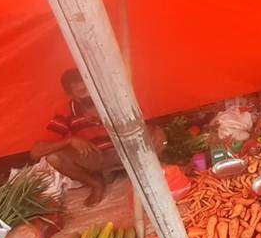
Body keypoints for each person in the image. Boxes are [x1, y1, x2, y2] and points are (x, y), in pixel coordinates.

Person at [30, 69, 165, 206]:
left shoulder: (116, 100)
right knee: (54, 157)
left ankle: (146, 173)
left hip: (128, 152)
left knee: (158, 134)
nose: (90, 93)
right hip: (96, 158)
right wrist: (70, 140)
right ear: (72, 96)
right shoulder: (67, 111)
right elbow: (36, 151)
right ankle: (95, 183)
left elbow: (147, 124)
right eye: (82, 91)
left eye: (90, 87)